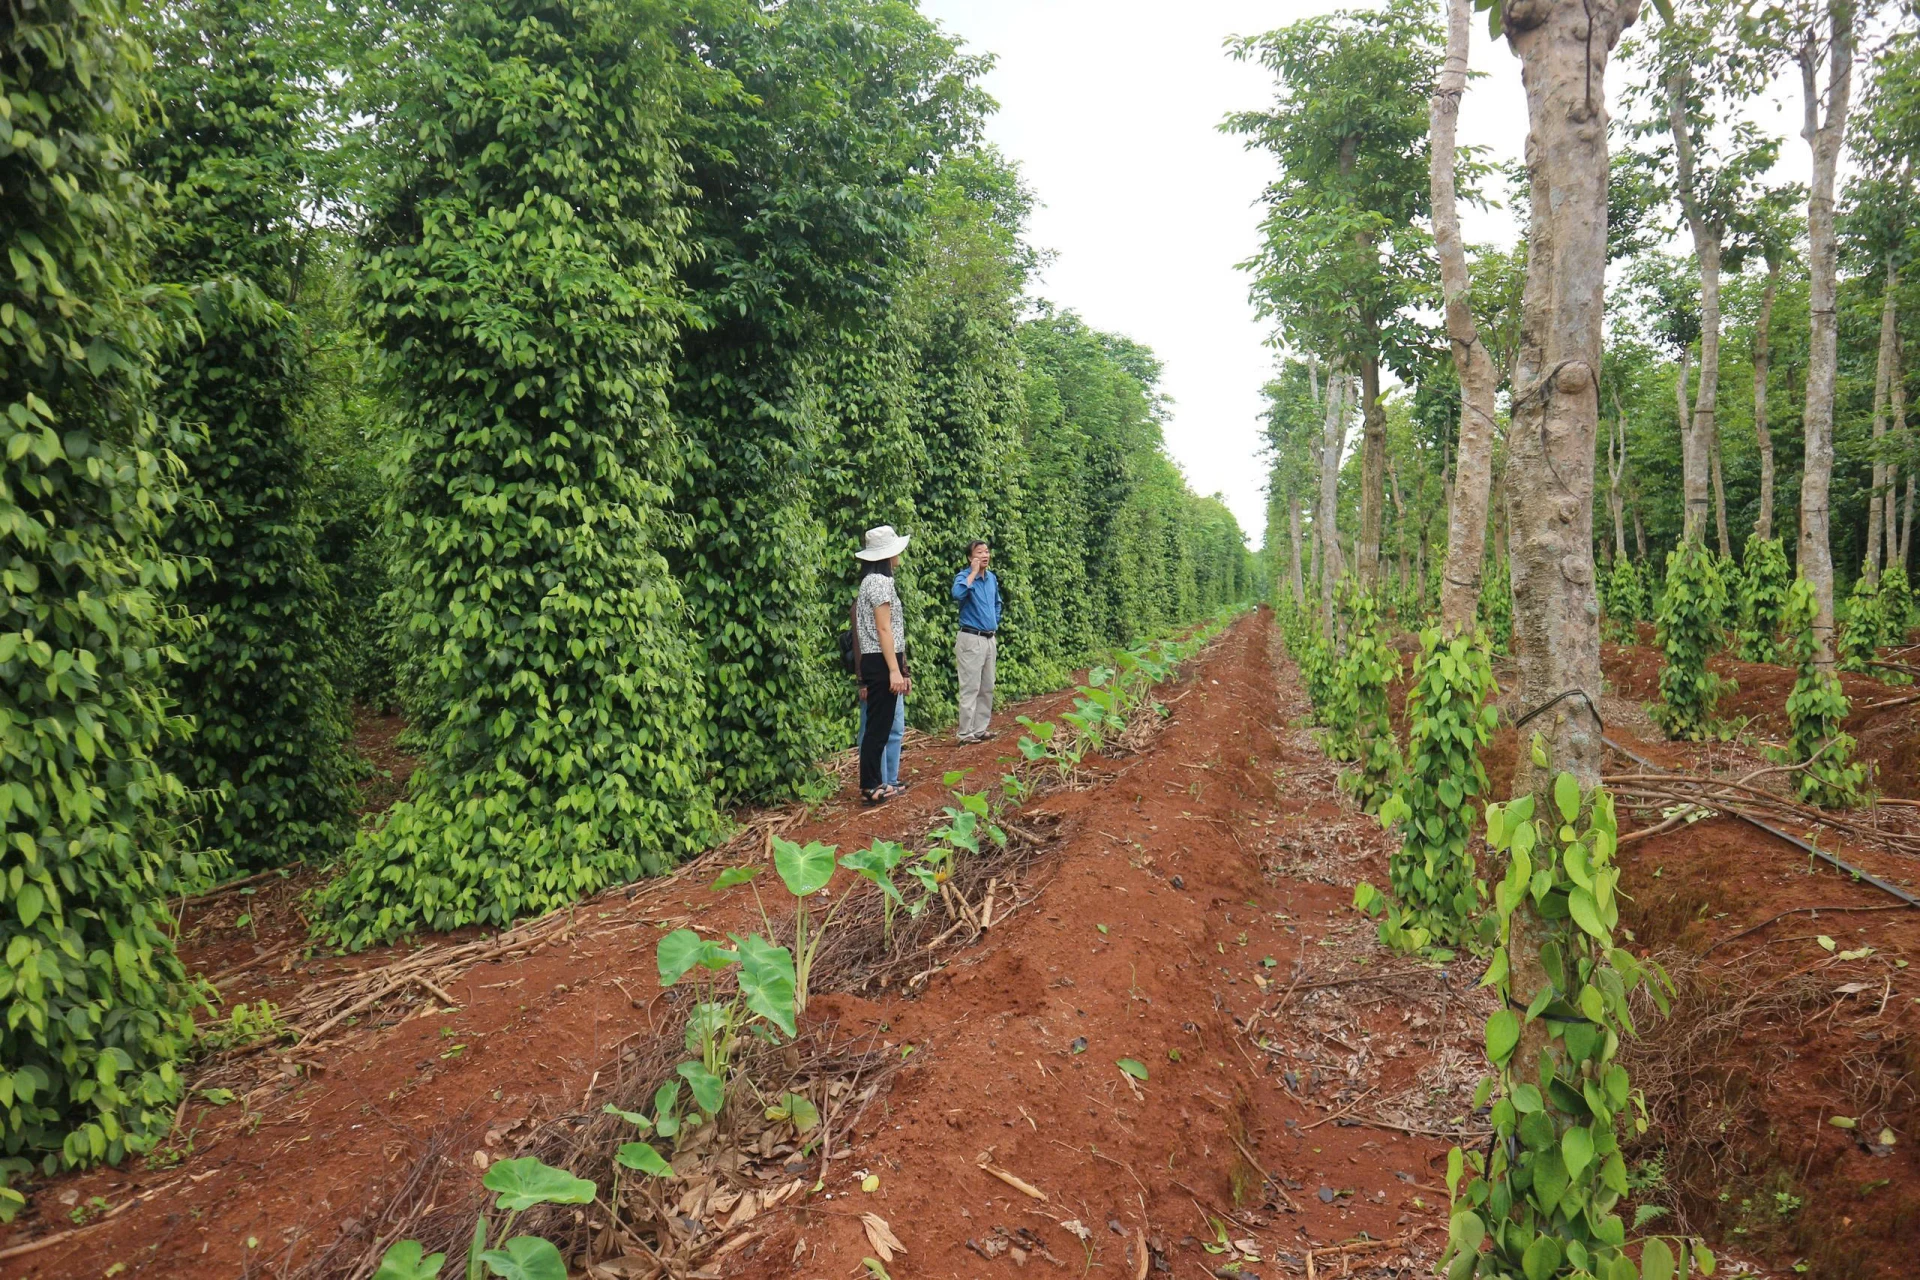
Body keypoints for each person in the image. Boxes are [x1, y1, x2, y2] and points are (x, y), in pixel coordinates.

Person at [855, 525, 911, 804]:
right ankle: (871, 784)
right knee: (878, 727)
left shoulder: (870, 581)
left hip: (879, 659)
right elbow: (884, 628)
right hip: (881, 660)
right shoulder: (880, 582)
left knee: (880, 725)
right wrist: (894, 670)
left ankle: (877, 781)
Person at [951, 538, 1000, 743]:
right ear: (970, 558)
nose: (985, 556)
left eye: (986, 552)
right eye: (979, 553)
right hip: (971, 638)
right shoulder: (963, 577)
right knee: (970, 687)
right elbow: (957, 594)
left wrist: (994, 621)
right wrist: (972, 573)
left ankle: (980, 729)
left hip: (989, 639)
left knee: (987, 686)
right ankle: (965, 733)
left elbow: (998, 603)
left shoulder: (991, 579)